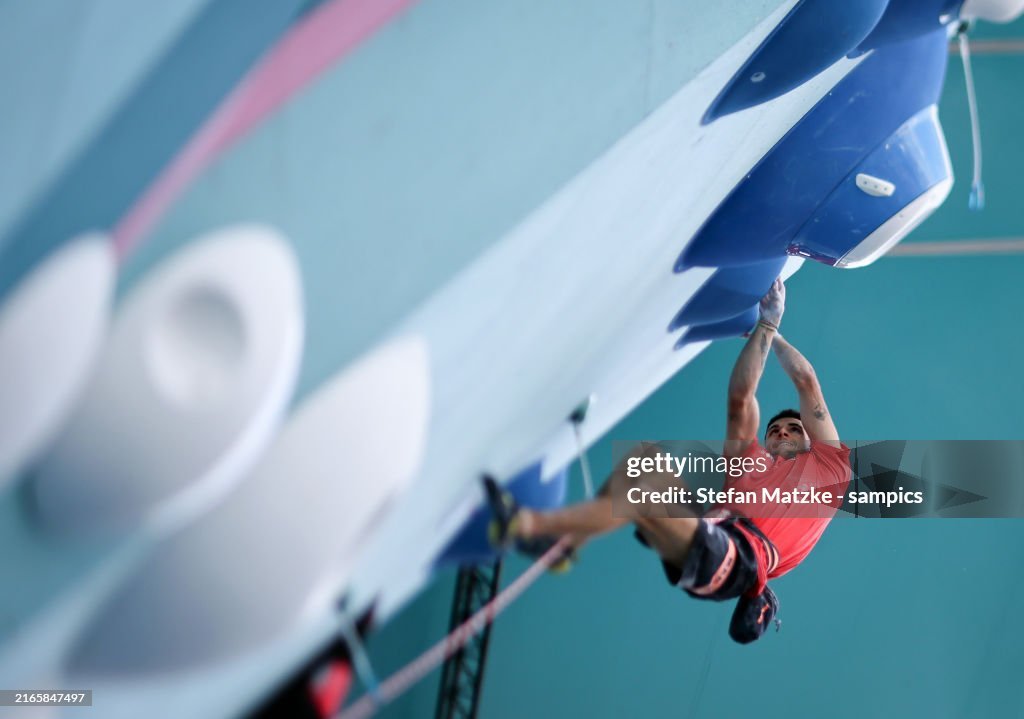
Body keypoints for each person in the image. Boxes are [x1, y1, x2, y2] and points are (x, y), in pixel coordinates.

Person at [486, 277, 851, 643]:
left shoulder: (829, 470)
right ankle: (565, 547)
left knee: (642, 498)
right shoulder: (747, 465)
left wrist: (774, 328)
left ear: (811, 438)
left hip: (738, 561)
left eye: (793, 428)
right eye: (775, 430)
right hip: (710, 531)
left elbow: (806, 382)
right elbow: (741, 397)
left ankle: (530, 524)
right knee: (645, 458)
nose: (783, 432)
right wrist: (763, 329)